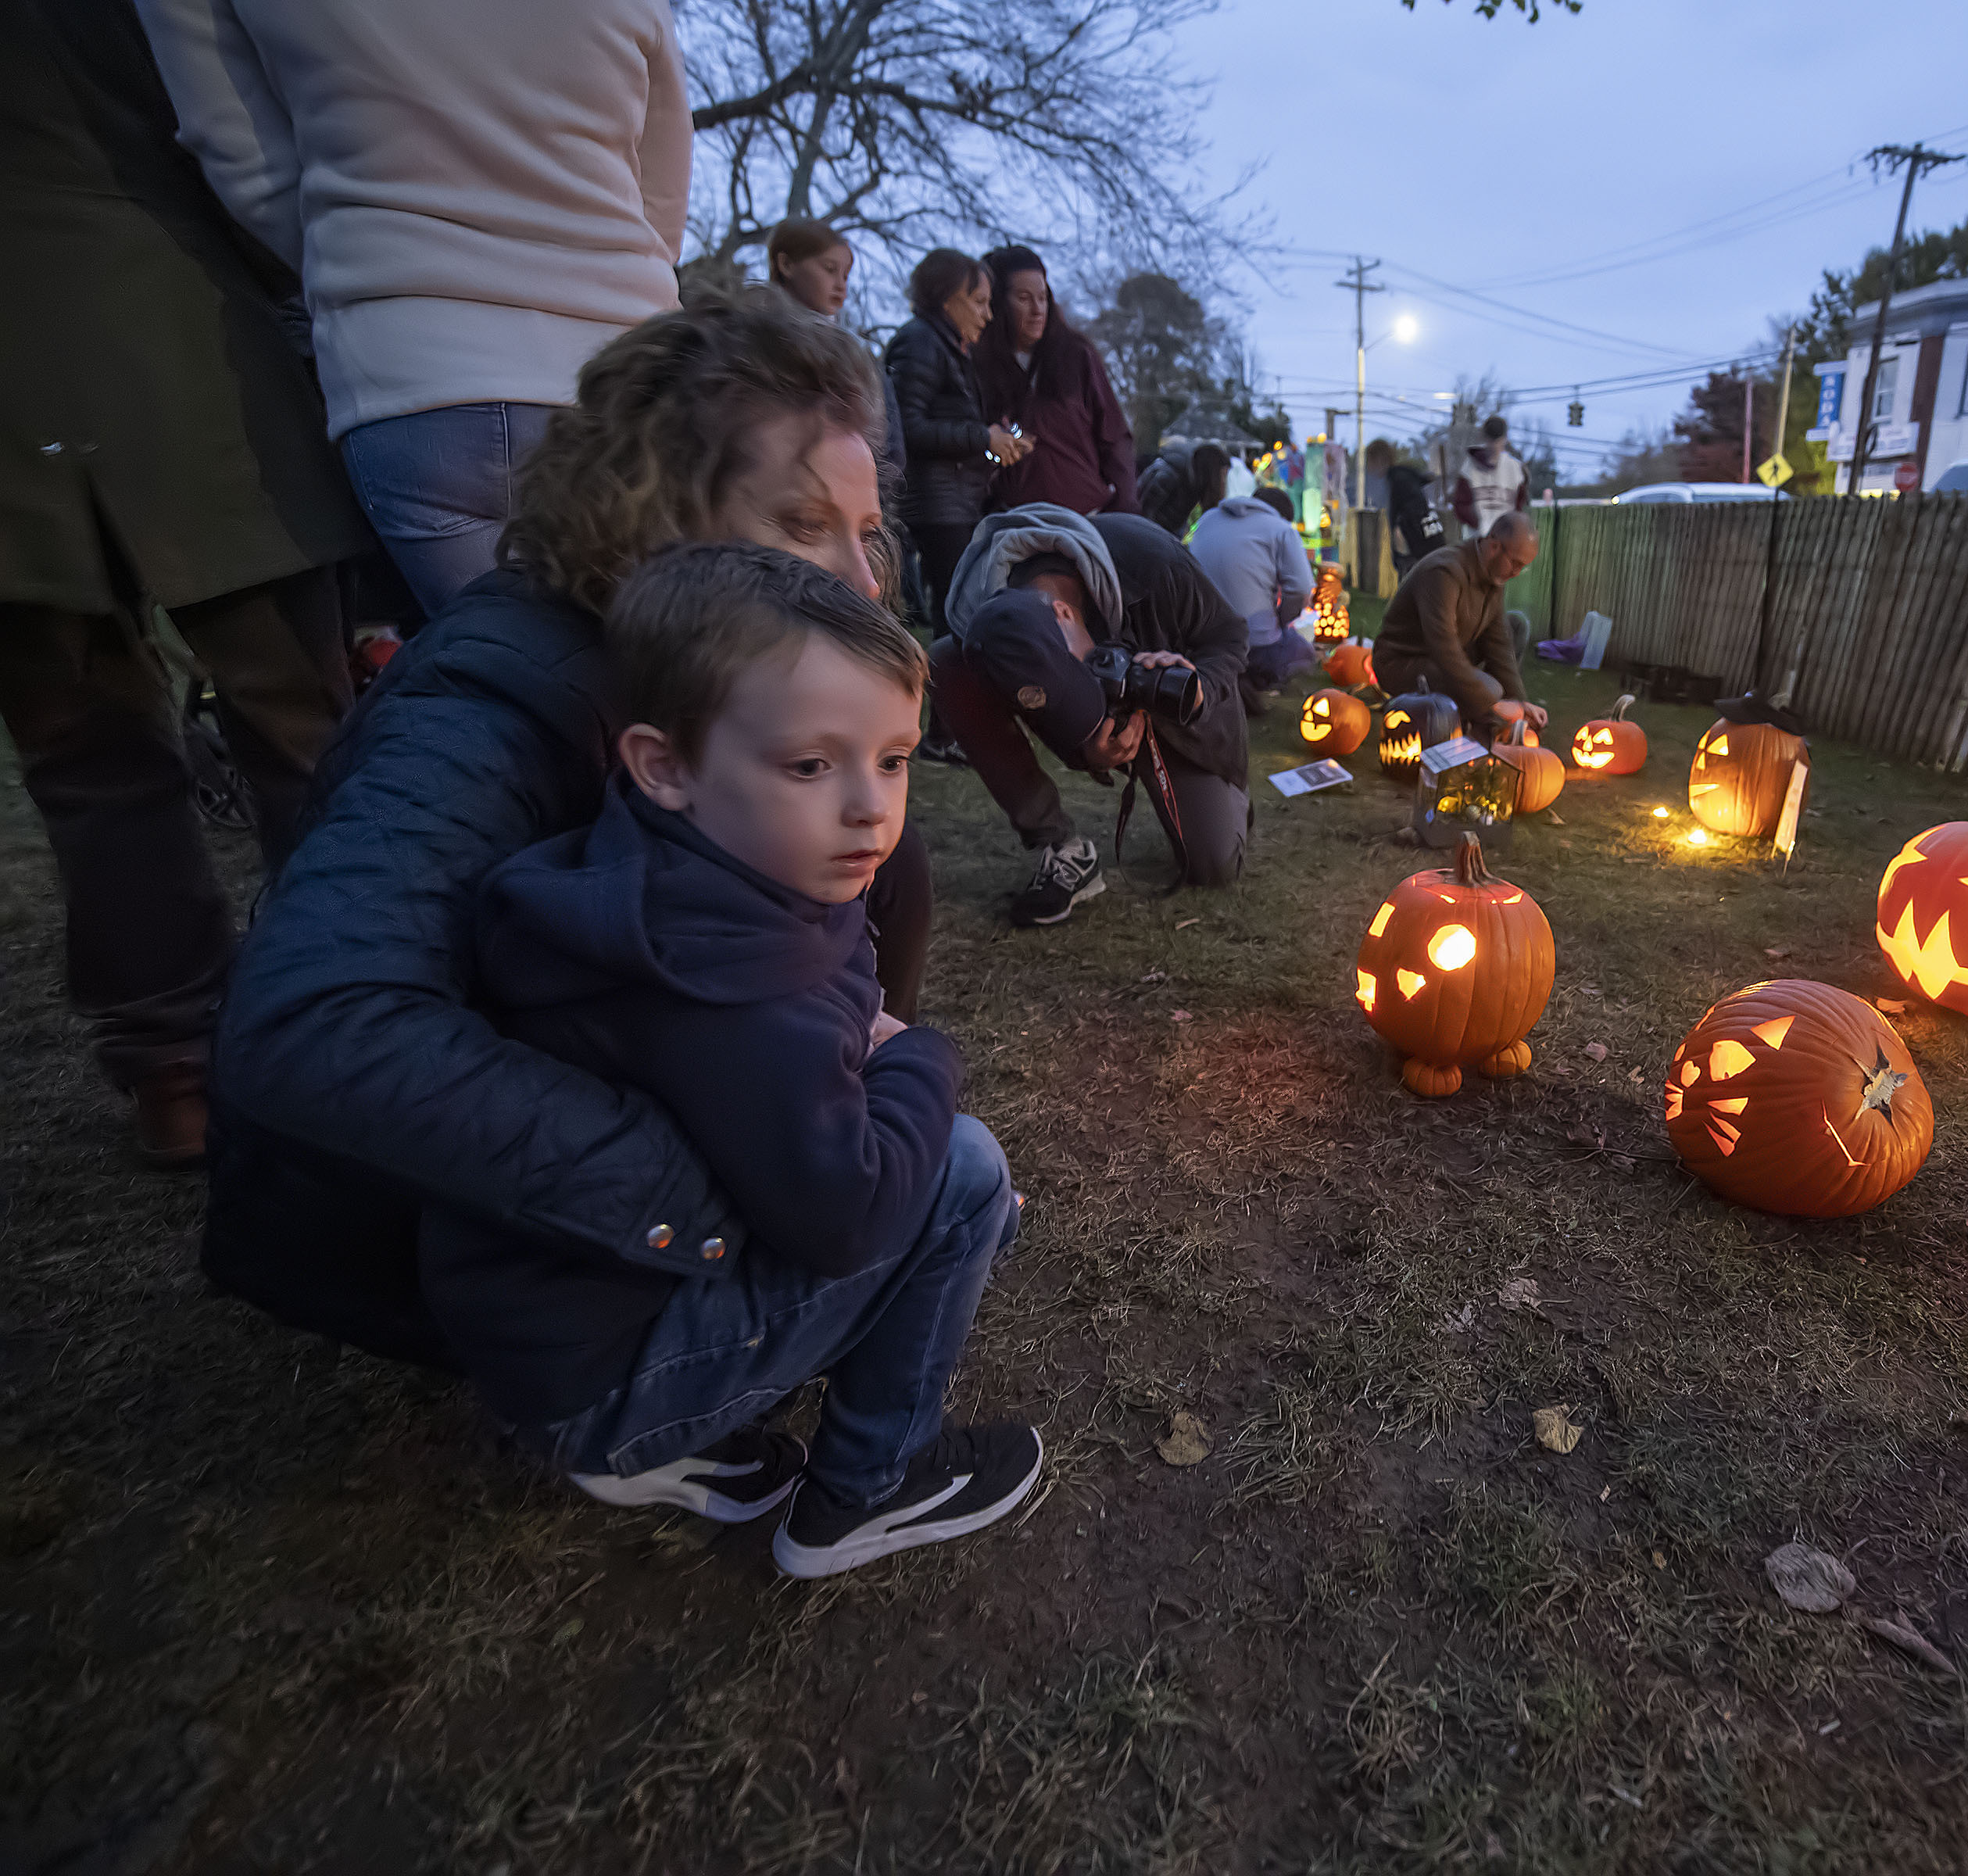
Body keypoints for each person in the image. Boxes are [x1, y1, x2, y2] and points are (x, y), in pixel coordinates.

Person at [202, 291, 936, 1369]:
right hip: (452, 1256)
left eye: (867, 535)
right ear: (651, 507)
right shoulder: (496, 706)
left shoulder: (706, 691)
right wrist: (706, 1208)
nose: (863, 584)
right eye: (798, 523)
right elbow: (314, 1028)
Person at [424, 541, 1037, 1577]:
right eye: (811, 764)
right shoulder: (729, 987)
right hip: (610, 1376)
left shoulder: (671, 870)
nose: (870, 807)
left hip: (555, 1327)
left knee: (935, 1182)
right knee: (964, 1177)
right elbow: (845, 1213)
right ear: (664, 765)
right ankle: (868, 1491)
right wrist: (920, 1053)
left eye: (893, 759)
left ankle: (660, 1428)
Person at [5, 0, 370, 1166]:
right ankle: (354, 1025)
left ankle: (176, 1067)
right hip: (181, 349)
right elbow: (246, 153)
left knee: (84, 755)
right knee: (303, 725)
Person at [136, 0, 692, 616]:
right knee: (667, 677)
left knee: (505, 674)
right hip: (628, 375)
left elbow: (240, 152)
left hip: (413, 373)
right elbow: (663, 184)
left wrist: (372, 265)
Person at [931, 506, 1249, 924]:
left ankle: (1232, 796)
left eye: (1090, 669)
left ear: (1064, 612)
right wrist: (1085, 747)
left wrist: (1198, 687)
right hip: (1035, 681)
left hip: (1173, 718)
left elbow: (1229, 637)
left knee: (1213, 867)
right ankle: (1062, 846)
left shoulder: (1153, 564)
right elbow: (1040, 685)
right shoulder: (981, 626)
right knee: (947, 663)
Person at [884, 247, 1026, 605]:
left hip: (951, 504)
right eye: (979, 302)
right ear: (947, 300)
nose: (988, 315)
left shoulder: (944, 346)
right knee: (958, 610)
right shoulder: (921, 342)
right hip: (937, 509)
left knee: (961, 606)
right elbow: (906, 426)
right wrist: (983, 438)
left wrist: (997, 445)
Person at [971, 245, 1138, 517]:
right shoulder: (978, 367)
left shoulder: (1076, 356)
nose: (1037, 310)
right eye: (1024, 298)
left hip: (1087, 516)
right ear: (998, 302)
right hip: (1014, 521)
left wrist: (1126, 507)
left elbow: (1115, 437)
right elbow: (976, 449)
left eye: (1043, 297)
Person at [1374, 511, 1548, 738]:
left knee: (1516, 626)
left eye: (1522, 567)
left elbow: (1499, 642)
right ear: (1494, 546)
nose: (1516, 573)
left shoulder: (1494, 574)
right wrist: (1491, 702)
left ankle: (1489, 714)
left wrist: (1519, 700)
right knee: (1490, 690)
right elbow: (1444, 649)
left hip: (1446, 656)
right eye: (1515, 564)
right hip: (1403, 663)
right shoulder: (1444, 573)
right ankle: (1481, 717)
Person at [1187, 486, 1316, 707]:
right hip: (1254, 646)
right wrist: (1282, 620)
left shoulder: (1208, 520)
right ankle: (1258, 680)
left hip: (1199, 639)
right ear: (1285, 516)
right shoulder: (1282, 529)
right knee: (1304, 651)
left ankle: (1225, 678)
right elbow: (1302, 588)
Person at [1367, 437, 1444, 575]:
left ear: (1379, 459)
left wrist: (1401, 536)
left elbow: (1410, 512)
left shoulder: (1398, 480)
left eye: (1370, 462)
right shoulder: (1406, 476)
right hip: (1431, 543)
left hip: (1417, 549)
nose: (1369, 467)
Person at [1450, 415, 1532, 538]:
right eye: (1491, 440)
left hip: (1507, 539)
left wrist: (1510, 527)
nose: (1494, 445)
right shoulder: (1469, 468)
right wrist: (1480, 524)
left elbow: (1522, 505)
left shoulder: (1515, 469)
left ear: (1505, 439)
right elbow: (1461, 505)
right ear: (1484, 438)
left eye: (1498, 440)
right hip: (1477, 539)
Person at [1137, 442, 1230, 539]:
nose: (1224, 482)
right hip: (1147, 538)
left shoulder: (1195, 485)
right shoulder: (1171, 475)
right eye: (1223, 476)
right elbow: (1144, 516)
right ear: (1212, 472)